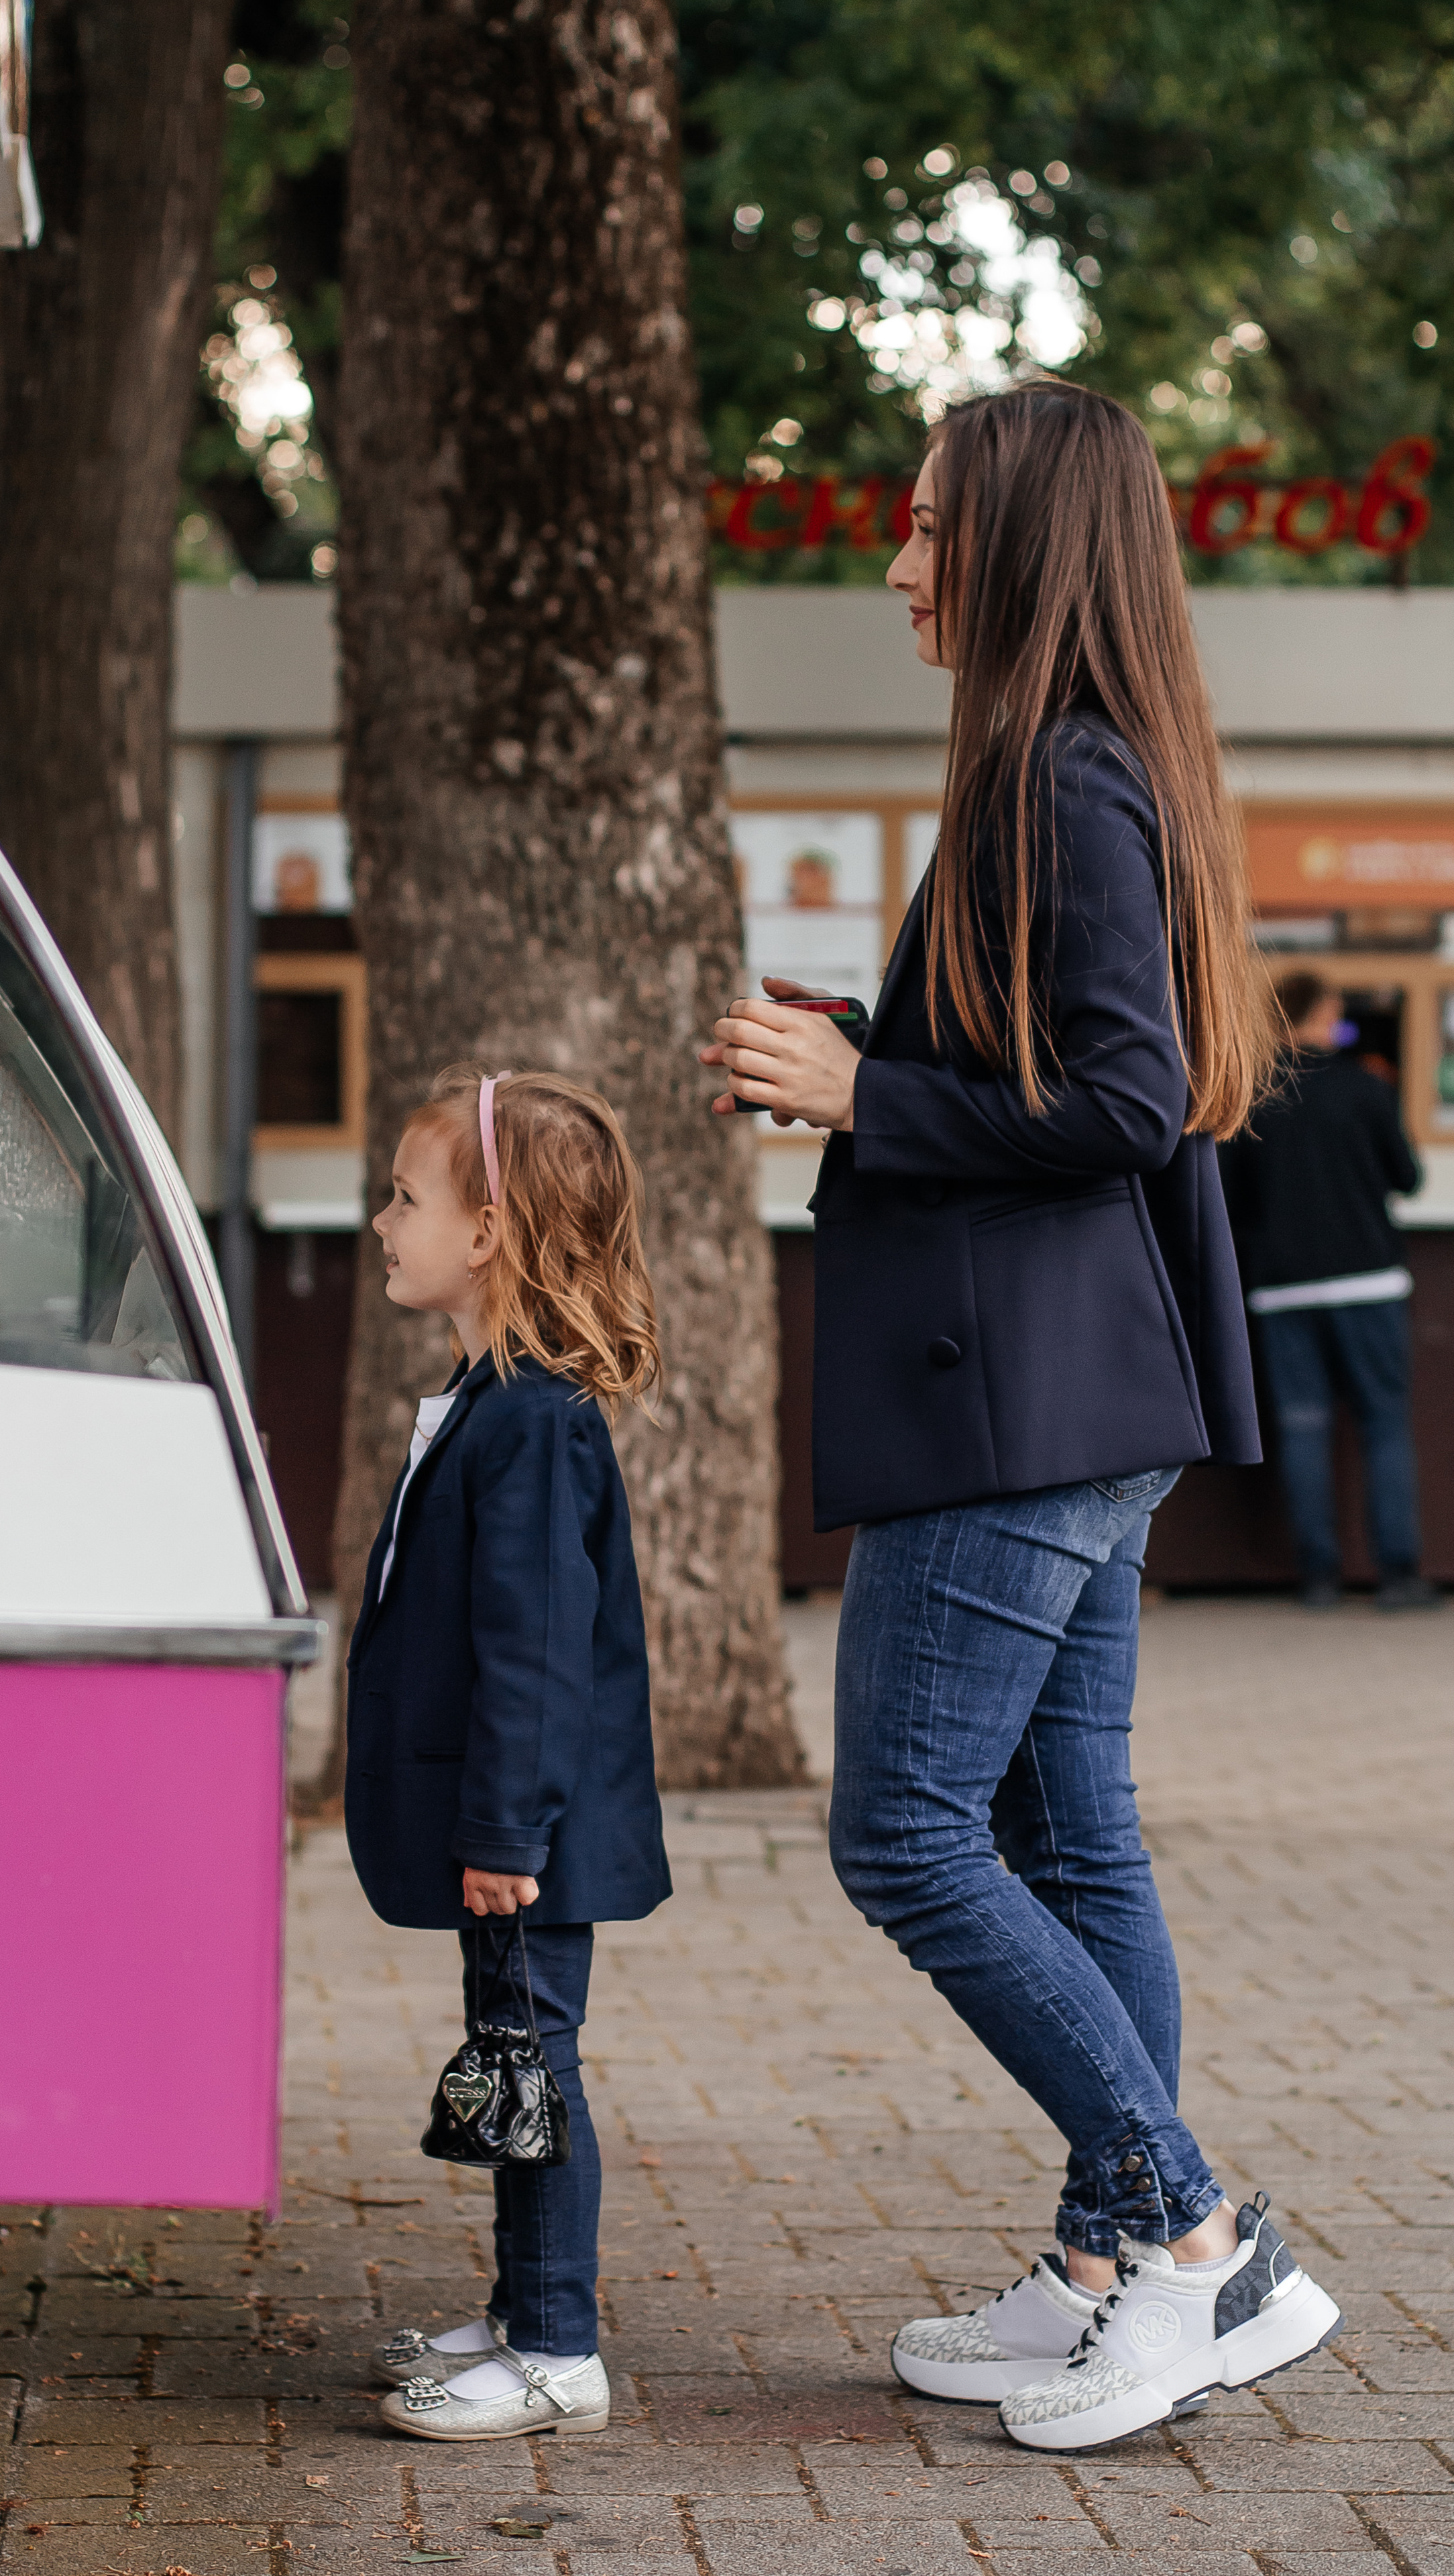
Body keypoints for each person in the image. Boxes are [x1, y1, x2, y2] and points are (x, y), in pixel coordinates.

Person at [701, 384, 1342, 2453]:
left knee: (901, 1826)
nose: (890, 566)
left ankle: (1189, 2230)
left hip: (1028, 1408)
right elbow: (1066, 1072)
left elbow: (1125, 1101)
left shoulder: (1056, 778)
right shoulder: (1080, 762)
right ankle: (1100, 2262)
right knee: (1067, 1829)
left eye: (918, 527)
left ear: (1016, 542)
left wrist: (861, 1096)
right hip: (1079, 1393)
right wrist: (870, 1048)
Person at [344, 1065, 670, 2442]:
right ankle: (524, 2300)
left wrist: (504, 1836)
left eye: (404, 1199)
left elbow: (533, 1650)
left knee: (532, 2063)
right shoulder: (494, 1399)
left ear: (485, 1234)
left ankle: (555, 2348)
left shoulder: (530, 1419)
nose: (379, 1222)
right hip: (515, 1828)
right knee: (509, 2057)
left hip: (527, 1835)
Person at [1222, 971, 1435, 1611]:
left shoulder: (1253, 1099)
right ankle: (1398, 1577)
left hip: (1284, 1287)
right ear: (1322, 1014)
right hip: (1367, 1278)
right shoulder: (1365, 1088)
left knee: (1303, 1427)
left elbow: (1232, 1202)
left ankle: (1319, 1579)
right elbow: (1409, 1176)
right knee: (1384, 1425)